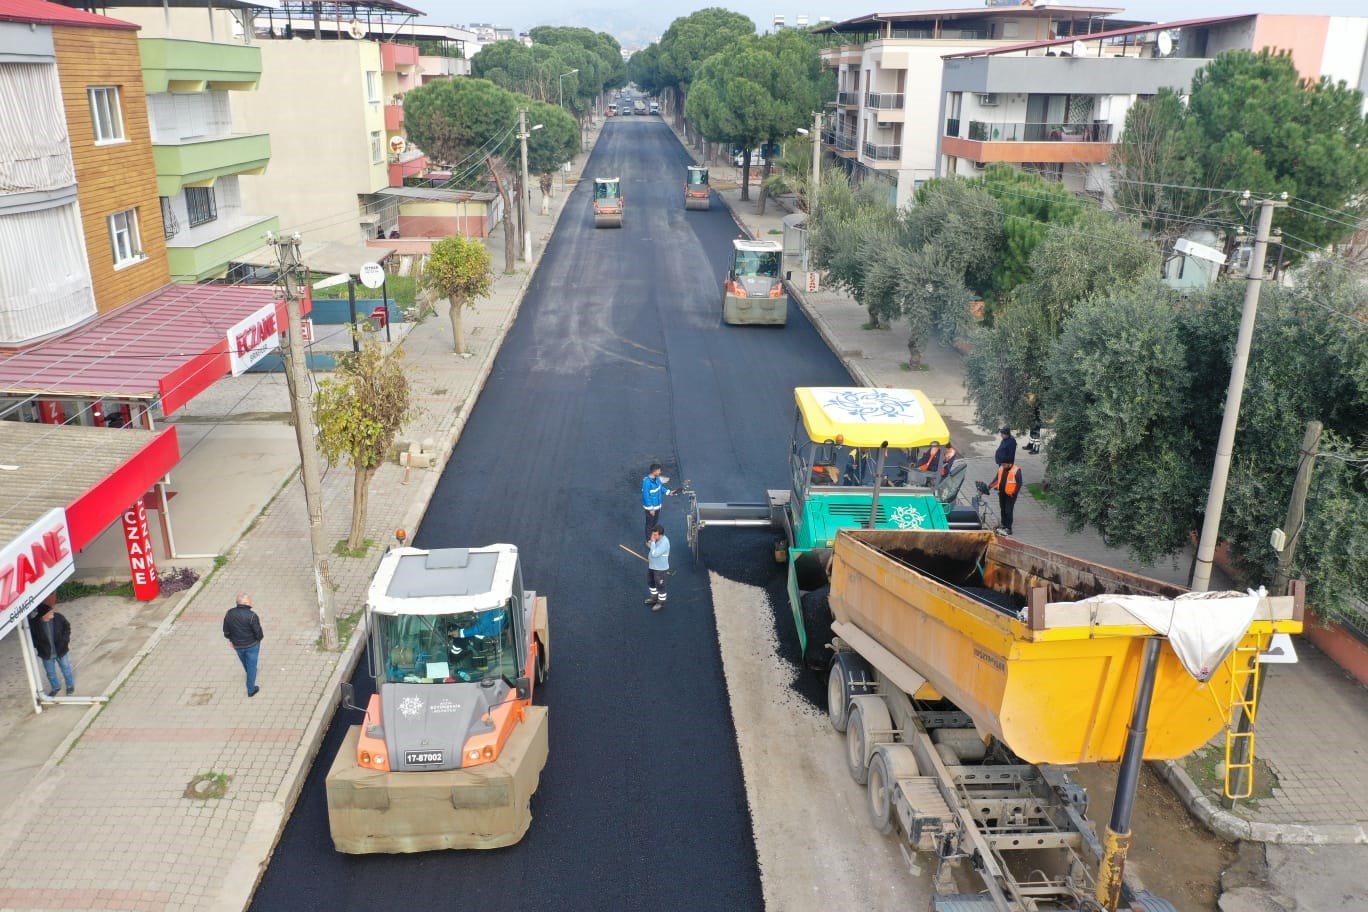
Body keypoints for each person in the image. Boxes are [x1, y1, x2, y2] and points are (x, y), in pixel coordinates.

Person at [29, 595, 74, 698]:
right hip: (46, 653)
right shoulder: (35, 624)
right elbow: (32, 637)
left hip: (61, 650)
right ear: (43, 615)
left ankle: (70, 686)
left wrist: (65, 640)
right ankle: (55, 688)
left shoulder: (58, 617)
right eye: (49, 612)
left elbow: (67, 627)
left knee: (66, 668)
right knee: (50, 673)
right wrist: (38, 646)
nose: (52, 612)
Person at [223, 592, 264, 697]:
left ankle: (250, 672)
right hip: (251, 645)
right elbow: (258, 632)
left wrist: (230, 640)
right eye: (250, 600)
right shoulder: (252, 616)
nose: (251, 602)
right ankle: (251, 690)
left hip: (237, 645)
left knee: (245, 662)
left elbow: (226, 630)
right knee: (251, 665)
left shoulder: (229, 613)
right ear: (245, 602)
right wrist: (259, 639)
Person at [988, 460, 1023, 536]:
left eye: (1004, 464)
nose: (1003, 466)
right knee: (1002, 509)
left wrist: (1014, 493)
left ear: (1010, 464)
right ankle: (1003, 525)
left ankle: (1008, 528)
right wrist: (990, 486)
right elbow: (997, 479)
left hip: (1011, 495)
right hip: (1002, 493)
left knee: (1008, 510)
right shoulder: (1001, 468)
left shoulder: (1016, 471)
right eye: (1002, 464)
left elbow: (1019, 483)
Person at [641, 464, 674, 537]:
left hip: (657, 506)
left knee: (654, 522)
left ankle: (652, 536)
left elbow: (660, 487)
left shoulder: (658, 478)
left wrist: (669, 492)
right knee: (649, 524)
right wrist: (651, 509)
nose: (660, 472)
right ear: (654, 472)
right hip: (651, 508)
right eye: (659, 471)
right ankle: (649, 540)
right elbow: (646, 496)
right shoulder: (646, 482)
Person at [645, 525, 670, 611]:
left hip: (660, 569)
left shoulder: (664, 542)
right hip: (652, 566)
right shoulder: (657, 539)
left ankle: (661, 603)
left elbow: (655, 553)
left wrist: (652, 542)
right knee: (650, 582)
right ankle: (654, 598)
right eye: (653, 534)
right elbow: (653, 548)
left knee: (660, 585)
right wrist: (652, 543)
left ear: (661, 535)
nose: (653, 536)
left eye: (655, 535)